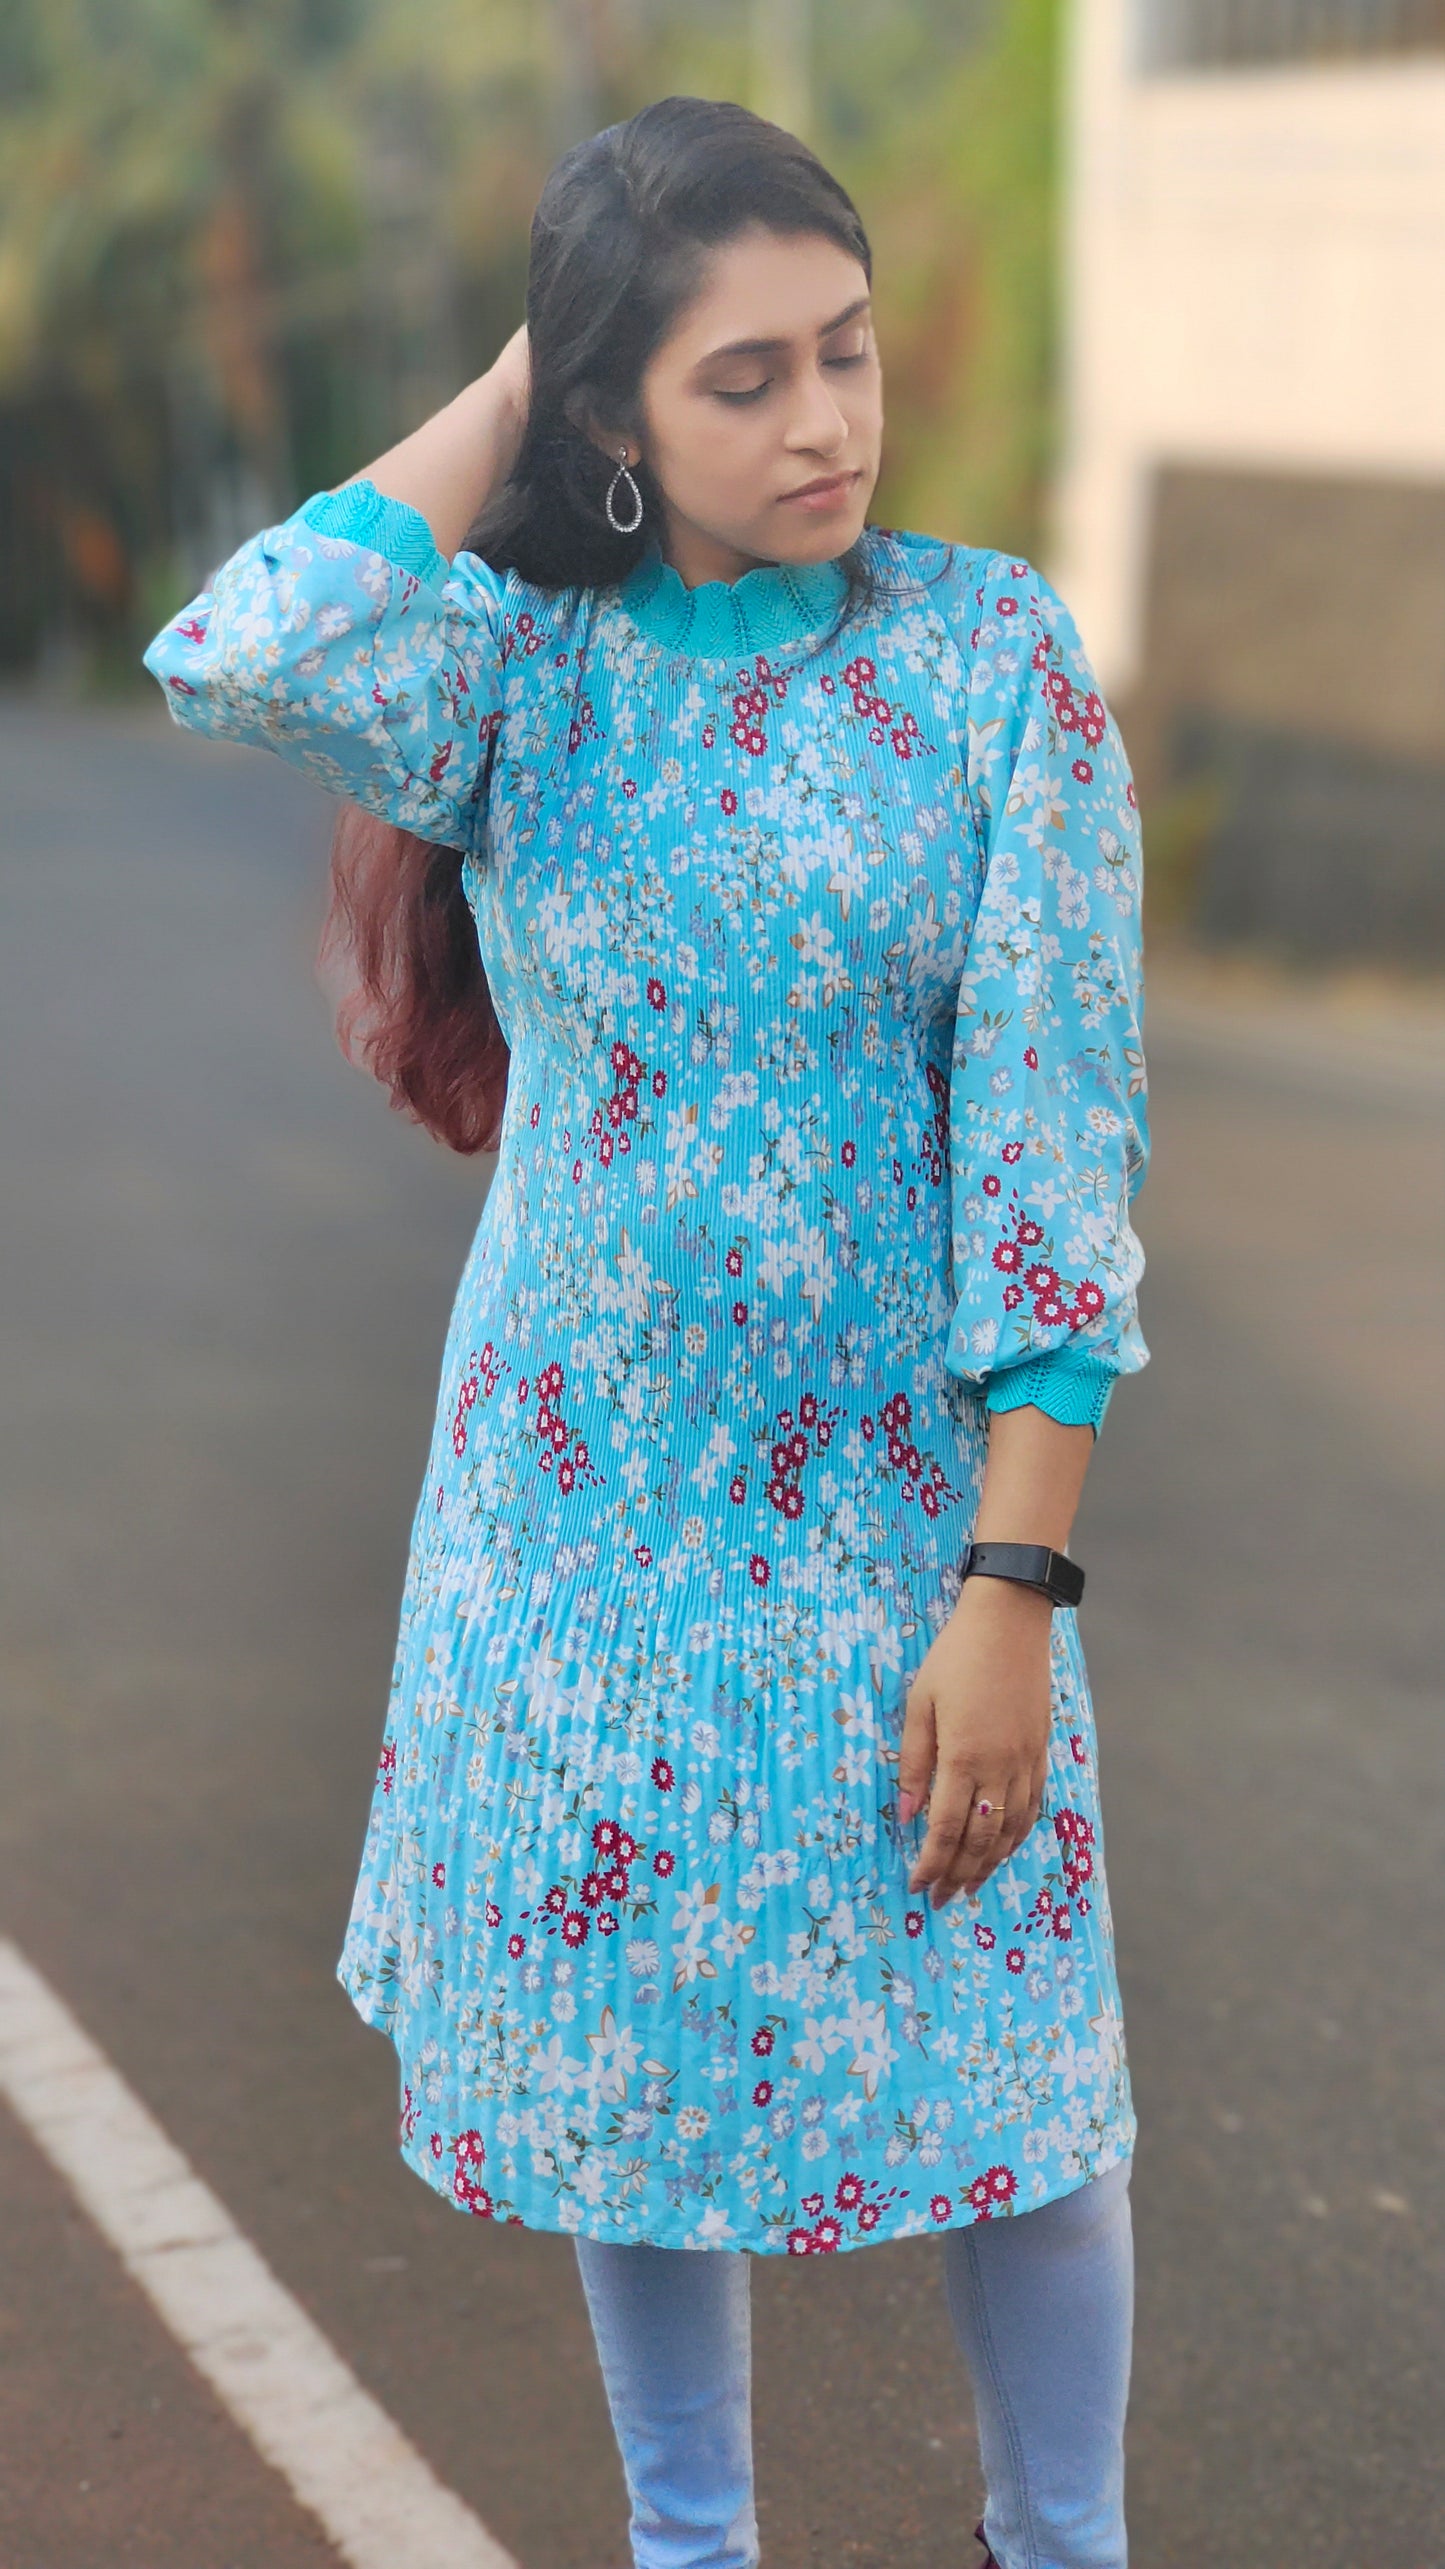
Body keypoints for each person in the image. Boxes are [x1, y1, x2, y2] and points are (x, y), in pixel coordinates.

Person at [143, 93, 1149, 2569]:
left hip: (905, 1524)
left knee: (1025, 2091)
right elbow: (237, 648)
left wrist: (1014, 1583)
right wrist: (530, 363)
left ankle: (1065, 2544)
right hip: (578, 1533)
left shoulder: (988, 659)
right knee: (640, 2073)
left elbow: (1058, 1158)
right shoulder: (523, 676)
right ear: (611, 406)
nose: (824, 420)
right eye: (740, 374)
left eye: (847, 351)